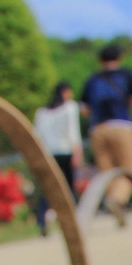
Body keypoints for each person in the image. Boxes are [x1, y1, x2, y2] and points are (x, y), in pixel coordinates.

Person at [81, 43, 132, 227]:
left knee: (107, 173)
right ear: (120, 58)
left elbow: (84, 109)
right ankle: (117, 200)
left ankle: (115, 203)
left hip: (97, 130)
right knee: (130, 169)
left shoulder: (92, 80)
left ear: (100, 60)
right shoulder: (126, 75)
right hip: (121, 125)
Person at [33, 81, 84, 235]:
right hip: (65, 151)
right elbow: (73, 131)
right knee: (68, 188)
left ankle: (42, 220)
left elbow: (37, 135)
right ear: (65, 92)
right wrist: (77, 152)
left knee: (48, 188)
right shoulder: (70, 107)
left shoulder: (41, 112)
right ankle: (74, 221)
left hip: (48, 154)